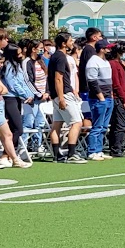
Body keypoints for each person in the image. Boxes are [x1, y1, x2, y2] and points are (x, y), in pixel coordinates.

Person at [48, 33, 85, 162]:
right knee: (77, 122)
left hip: (57, 95)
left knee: (57, 124)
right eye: (70, 40)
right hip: (63, 94)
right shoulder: (60, 57)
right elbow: (58, 78)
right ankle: (71, 154)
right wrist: (61, 98)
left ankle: (56, 154)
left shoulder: (55, 56)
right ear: (64, 43)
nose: (72, 42)